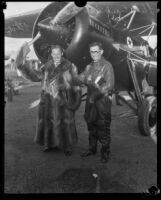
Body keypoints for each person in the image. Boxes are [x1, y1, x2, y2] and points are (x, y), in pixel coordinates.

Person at [16, 43, 82, 156]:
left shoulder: (70, 66)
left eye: (58, 53)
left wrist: (75, 102)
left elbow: (76, 84)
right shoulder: (46, 67)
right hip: (48, 101)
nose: (56, 55)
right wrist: (23, 64)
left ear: (62, 53)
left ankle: (67, 146)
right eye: (54, 53)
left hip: (63, 101)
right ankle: (49, 144)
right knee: (49, 123)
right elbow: (35, 76)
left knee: (65, 123)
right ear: (51, 54)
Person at [74, 42, 115, 163]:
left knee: (103, 127)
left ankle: (105, 152)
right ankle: (92, 149)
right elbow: (81, 78)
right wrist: (70, 75)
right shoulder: (89, 67)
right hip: (90, 102)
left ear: (101, 51)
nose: (94, 54)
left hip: (102, 101)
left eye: (96, 51)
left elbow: (109, 85)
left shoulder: (107, 66)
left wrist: (95, 96)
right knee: (91, 126)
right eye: (92, 51)